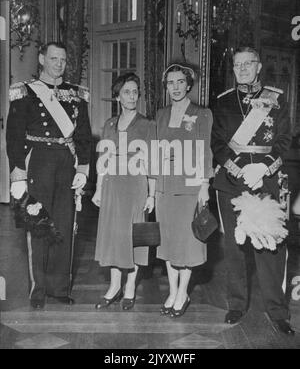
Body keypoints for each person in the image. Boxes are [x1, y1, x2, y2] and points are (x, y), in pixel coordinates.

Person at [211, 46, 294, 335]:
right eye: (237, 64)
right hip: (231, 183)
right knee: (233, 249)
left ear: (259, 66)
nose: (243, 68)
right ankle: (237, 303)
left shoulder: (277, 99)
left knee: (269, 248)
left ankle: (277, 311)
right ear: (232, 69)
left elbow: (284, 140)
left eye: (249, 63)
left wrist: (263, 168)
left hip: (266, 181)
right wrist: (241, 170)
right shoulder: (222, 101)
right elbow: (218, 145)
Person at [6, 42, 92, 309]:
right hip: (37, 161)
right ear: (42, 59)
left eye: (63, 60)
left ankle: (59, 287)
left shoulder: (76, 94)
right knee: (39, 223)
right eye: (54, 58)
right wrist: (17, 171)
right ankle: (39, 288)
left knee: (65, 225)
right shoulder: (25, 93)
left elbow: (84, 135)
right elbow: (14, 135)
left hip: (65, 162)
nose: (59, 64)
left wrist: (83, 168)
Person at [92, 72, 156, 311]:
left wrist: (151, 194)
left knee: (134, 236)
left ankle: (130, 288)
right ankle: (114, 286)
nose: (132, 96)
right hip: (111, 186)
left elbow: (152, 164)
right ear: (117, 96)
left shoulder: (148, 125)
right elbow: (103, 159)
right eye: (126, 92)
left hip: (135, 185)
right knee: (113, 236)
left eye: (135, 92)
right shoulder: (109, 124)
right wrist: (98, 188)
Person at [155, 63, 213, 317]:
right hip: (165, 187)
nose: (175, 87)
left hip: (190, 187)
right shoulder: (160, 114)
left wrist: (204, 185)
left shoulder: (202, 114)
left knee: (188, 242)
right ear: (166, 86)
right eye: (171, 82)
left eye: (180, 82)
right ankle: (172, 290)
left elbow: (206, 152)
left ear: (188, 85)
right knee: (168, 242)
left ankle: (183, 292)